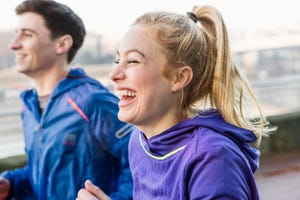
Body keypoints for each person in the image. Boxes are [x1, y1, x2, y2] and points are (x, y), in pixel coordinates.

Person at [77, 4, 276, 200]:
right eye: (117, 60)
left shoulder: (213, 158)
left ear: (178, 78)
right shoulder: (138, 141)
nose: (114, 75)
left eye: (133, 61)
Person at [0, 0, 133, 199]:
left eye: (27, 35)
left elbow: (141, 165)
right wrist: (10, 184)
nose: (14, 44)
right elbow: (42, 174)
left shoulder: (92, 101)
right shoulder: (28, 107)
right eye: (16, 34)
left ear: (62, 44)